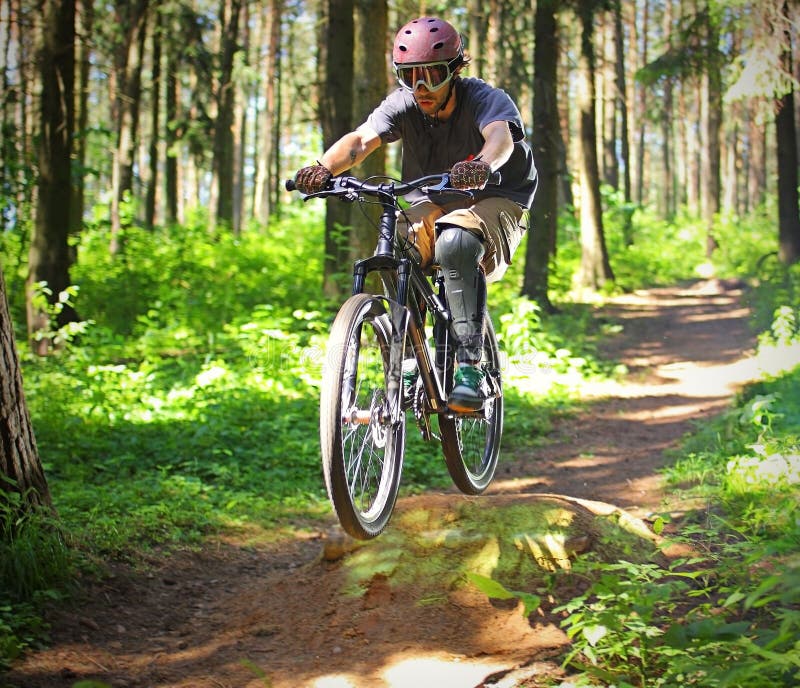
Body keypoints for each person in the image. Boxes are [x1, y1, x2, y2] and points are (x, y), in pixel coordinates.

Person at [294, 16, 537, 413]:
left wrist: (483, 165)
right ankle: (409, 357)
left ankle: (469, 367)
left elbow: (501, 138)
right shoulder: (402, 104)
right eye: (411, 77)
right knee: (397, 239)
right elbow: (360, 140)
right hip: (439, 195)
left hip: (497, 194)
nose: (421, 88)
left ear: (454, 71)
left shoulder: (485, 98)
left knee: (455, 240)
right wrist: (323, 168)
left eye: (432, 75)